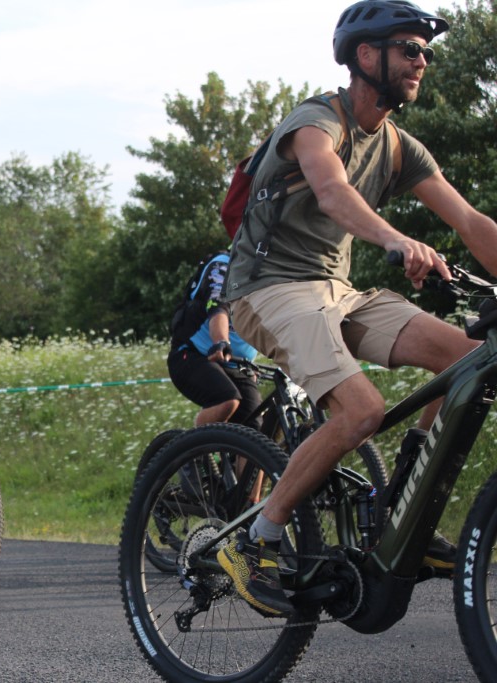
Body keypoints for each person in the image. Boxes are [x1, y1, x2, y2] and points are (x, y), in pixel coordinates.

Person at [218, 0, 497, 617]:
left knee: (472, 361)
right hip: (267, 288)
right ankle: (254, 540)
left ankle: (406, 508)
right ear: (366, 56)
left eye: (426, 52)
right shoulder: (317, 122)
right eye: (410, 49)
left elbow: (470, 220)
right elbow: (332, 190)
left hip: (335, 290)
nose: (422, 61)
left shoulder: (398, 145)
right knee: (362, 409)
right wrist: (396, 240)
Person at [168, 251, 261, 428]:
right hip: (193, 355)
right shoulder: (222, 265)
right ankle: (196, 445)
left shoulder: (270, 275)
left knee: (255, 427)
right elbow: (217, 308)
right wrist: (221, 341)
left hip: (238, 365)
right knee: (226, 399)